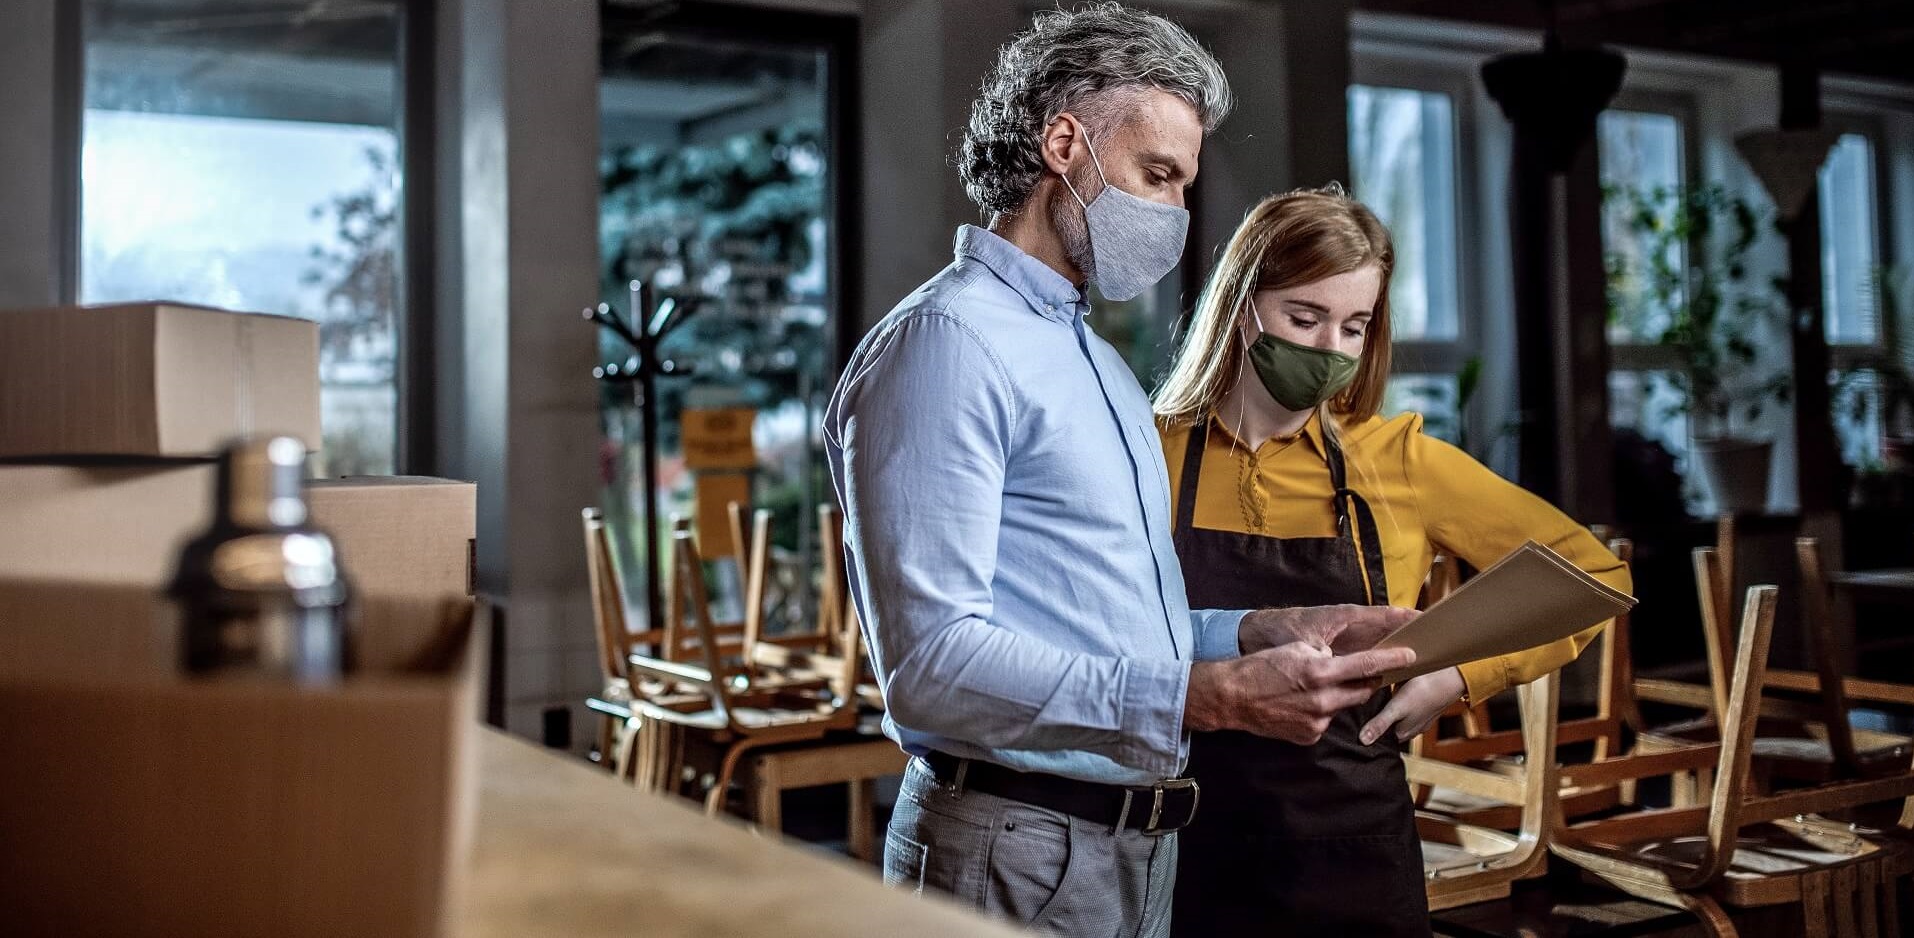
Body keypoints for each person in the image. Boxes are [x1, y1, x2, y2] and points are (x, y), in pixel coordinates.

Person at [823, 7, 1418, 937]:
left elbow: (1104, 623)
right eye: (1157, 175)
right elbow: (929, 667)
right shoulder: (949, 345)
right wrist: (1200, 695)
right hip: (1012, 845)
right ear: (1064, 143)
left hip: (1132, 849)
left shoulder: (1093, 361)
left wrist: (1255, 633)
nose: (1176, 214)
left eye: (1184, 185)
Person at [1152, 186, 1633, 936]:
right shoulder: (1149, 452)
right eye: (1304, 319)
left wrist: (1459, 676)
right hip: (1180, 843)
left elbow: (1595, 577)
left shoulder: (1400, 459)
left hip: (1351, 848)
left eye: (1354, 326)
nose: (1329, 351)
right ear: (1244, 305)